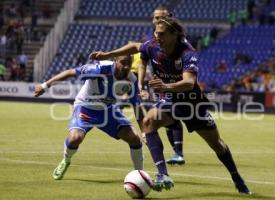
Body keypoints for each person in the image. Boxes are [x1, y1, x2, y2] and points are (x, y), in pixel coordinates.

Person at [89, 17, 251, 194]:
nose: (157, 37)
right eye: (155, 33)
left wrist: (166, 86)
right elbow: (136, 47)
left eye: (162, 34)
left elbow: (189, 83)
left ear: (174, 34)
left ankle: (236, 177)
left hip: (192, 103)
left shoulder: (187, 53)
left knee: (216, 144)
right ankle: (163, 174)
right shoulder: (153, 45)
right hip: (171, 99)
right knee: (149, 122)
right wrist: (106, 55)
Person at [34, 55, 144, 180]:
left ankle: (140, 175)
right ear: (115, 61)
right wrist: (45, 86)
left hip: (107, 110)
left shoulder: (131, 80)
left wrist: (145, 132)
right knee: (75, 138)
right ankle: (66, 159)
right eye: (123, 63)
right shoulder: (100, 69)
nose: (125, 67)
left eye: (128, 64)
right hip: (85, 106)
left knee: (134, 138)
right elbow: (70, 72)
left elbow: (136, 106)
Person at [141, 5, 186, 165]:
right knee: (167, 119)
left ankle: (178, 153)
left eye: (162, 17)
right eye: (156, 17)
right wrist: (142, 85)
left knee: (169, 117)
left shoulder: (178, 39)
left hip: (177, 85)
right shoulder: (152, 40)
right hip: (161, 84)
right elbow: (143, 61)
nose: (158, 20)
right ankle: (177, 153)